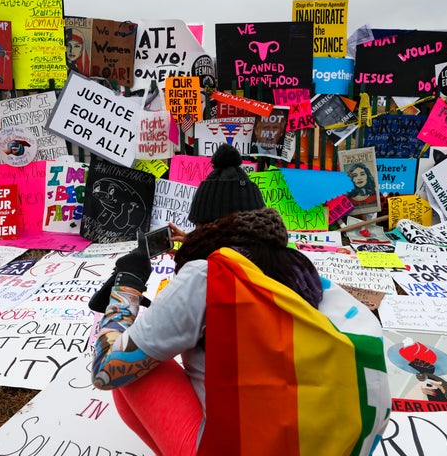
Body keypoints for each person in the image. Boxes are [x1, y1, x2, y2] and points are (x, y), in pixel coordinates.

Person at [89, 144, 390, 455]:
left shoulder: (207, 276)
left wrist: (128, 284)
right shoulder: (297, 266)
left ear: (203, 224)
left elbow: (106, 370)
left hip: (241, 446)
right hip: (305, 439)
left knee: (133, 364)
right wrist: (197, 245)